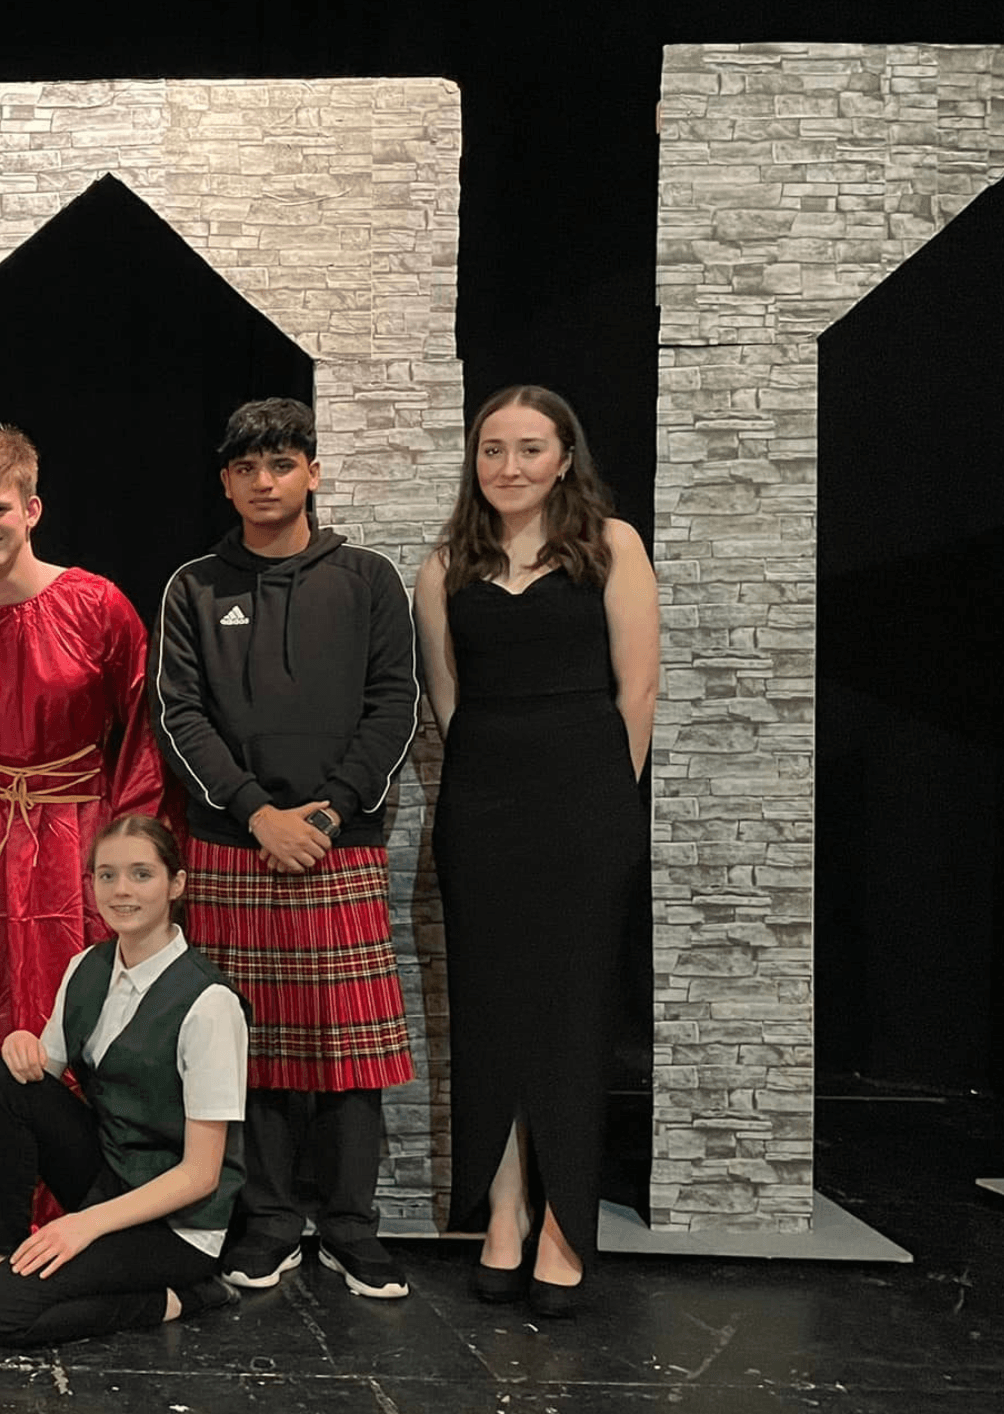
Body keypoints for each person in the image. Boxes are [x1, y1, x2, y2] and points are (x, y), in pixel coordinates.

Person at [151, 397, 419, 1299]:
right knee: (247, 1046)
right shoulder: (193, 585)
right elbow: (178, 713)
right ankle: (265, 1222)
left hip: (339, 845)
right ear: (225, 481)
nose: (264, 483)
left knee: (350, 1050)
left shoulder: (371, 579)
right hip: (234, 844)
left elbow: (395, 706)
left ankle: (350, 1227)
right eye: (246, 469)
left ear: (311, 471)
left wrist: (329, 814)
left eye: (282, 465)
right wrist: (257, 812)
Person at [414, 385, 658, 1317]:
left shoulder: (612, 546)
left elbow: (637, 691)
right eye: (491, 450)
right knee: (492, 1009)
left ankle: (566, 1222)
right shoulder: (445, 565)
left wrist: (600, 799)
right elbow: (447, 701)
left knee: (572, 1008)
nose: (507, 466)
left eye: (528, 449)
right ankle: (504, 1208)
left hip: (586, 801)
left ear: (564, 457)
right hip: (483, 805)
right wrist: (490, 784)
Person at [0, 425, 164, 1248]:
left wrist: (129, 853)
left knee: (68, 1010)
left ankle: (78, 1195)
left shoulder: (96, 605)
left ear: (32, 507)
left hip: (74, 833)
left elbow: (142, 729)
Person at [0, 816, 246, 1345]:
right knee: (3, 1080)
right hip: (109, 1175)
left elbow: (201, 1175)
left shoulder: (209, 1004)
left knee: (2, 1313)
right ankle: (0, 1260)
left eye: (142, 874)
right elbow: (34, 1083)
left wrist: (83, 1224)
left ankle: (185, 1296)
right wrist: (17, 1046)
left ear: (177, 884)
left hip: (178, 1223)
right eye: (107, 875)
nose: (121, 890)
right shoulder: (86, 967)